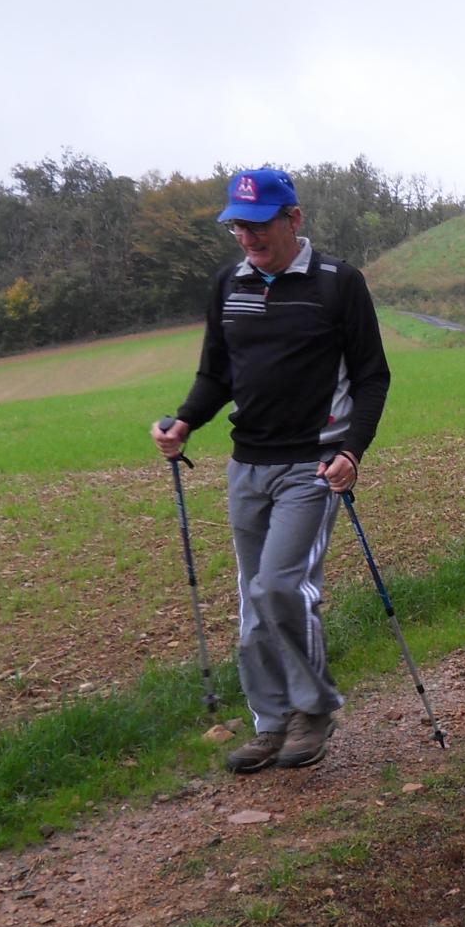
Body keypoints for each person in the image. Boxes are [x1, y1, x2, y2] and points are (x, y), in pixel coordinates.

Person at [150, 167, 391, 774]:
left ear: (293, 220)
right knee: (252, 602)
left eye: (258, 226)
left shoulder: (338, 283)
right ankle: (271, 721)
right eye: (237, 225)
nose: (247, 238)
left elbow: (371, 377)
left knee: (280, 586)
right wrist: (184, 422)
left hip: (311, 464)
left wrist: (352, 450)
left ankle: (314, 708)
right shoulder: (228, 283)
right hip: (246, 465)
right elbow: (217, 374)